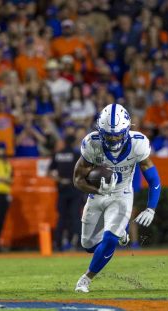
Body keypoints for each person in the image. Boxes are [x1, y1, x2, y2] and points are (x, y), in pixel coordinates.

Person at [72, 104, 161, 293]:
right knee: (88, 245)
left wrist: (150, 207)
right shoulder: (92, 144)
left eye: (117, 135)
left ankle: (86, 279)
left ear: (127, 129)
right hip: (97, 196)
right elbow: (78, 179)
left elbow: (153, 178)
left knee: (110, 239)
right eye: (109, 135)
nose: (113, 139)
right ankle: (120, 233)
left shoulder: (138, 143)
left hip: (122, 195)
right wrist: (95, 188)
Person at [49, 134, 81, 251]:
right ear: (73, 143)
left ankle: (58, 243)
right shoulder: (76, 154)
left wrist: (60, 180)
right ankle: (77, 243)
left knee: (62, 218)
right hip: (74, 189)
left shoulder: (58, 154)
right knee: (75, 217)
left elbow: (50, 172)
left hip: (62, 189)